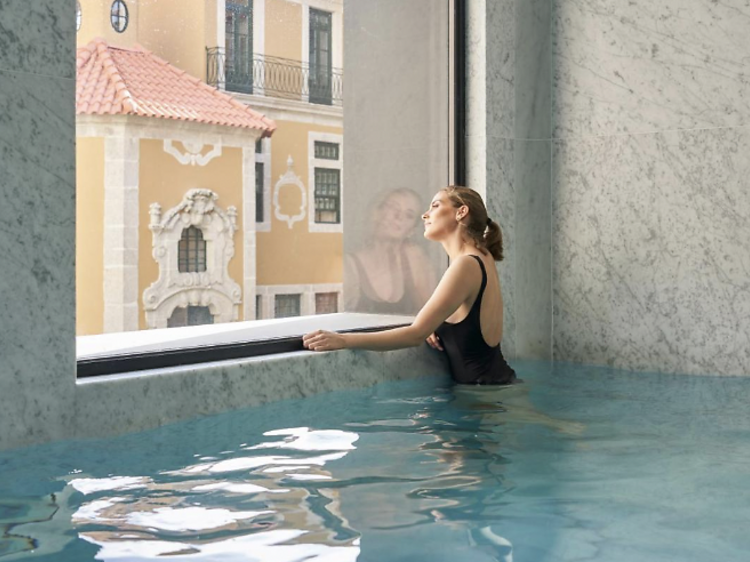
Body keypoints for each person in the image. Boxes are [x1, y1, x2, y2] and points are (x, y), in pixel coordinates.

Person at [304, 185, 516, 385]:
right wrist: (434, 324)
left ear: (461, 212)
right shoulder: (482, 256)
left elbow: (415, 335)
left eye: (435, 206)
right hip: (497, 385)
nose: (425, 215)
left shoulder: (466, 265)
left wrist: (343, 340)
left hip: (484, 398)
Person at [344, 188, 436, 315]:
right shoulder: (349, 263)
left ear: (412, 230)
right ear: (376, 212)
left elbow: (433, 315)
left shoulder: (414, 257)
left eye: (409, 215)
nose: (399, 217)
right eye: (393, 208)